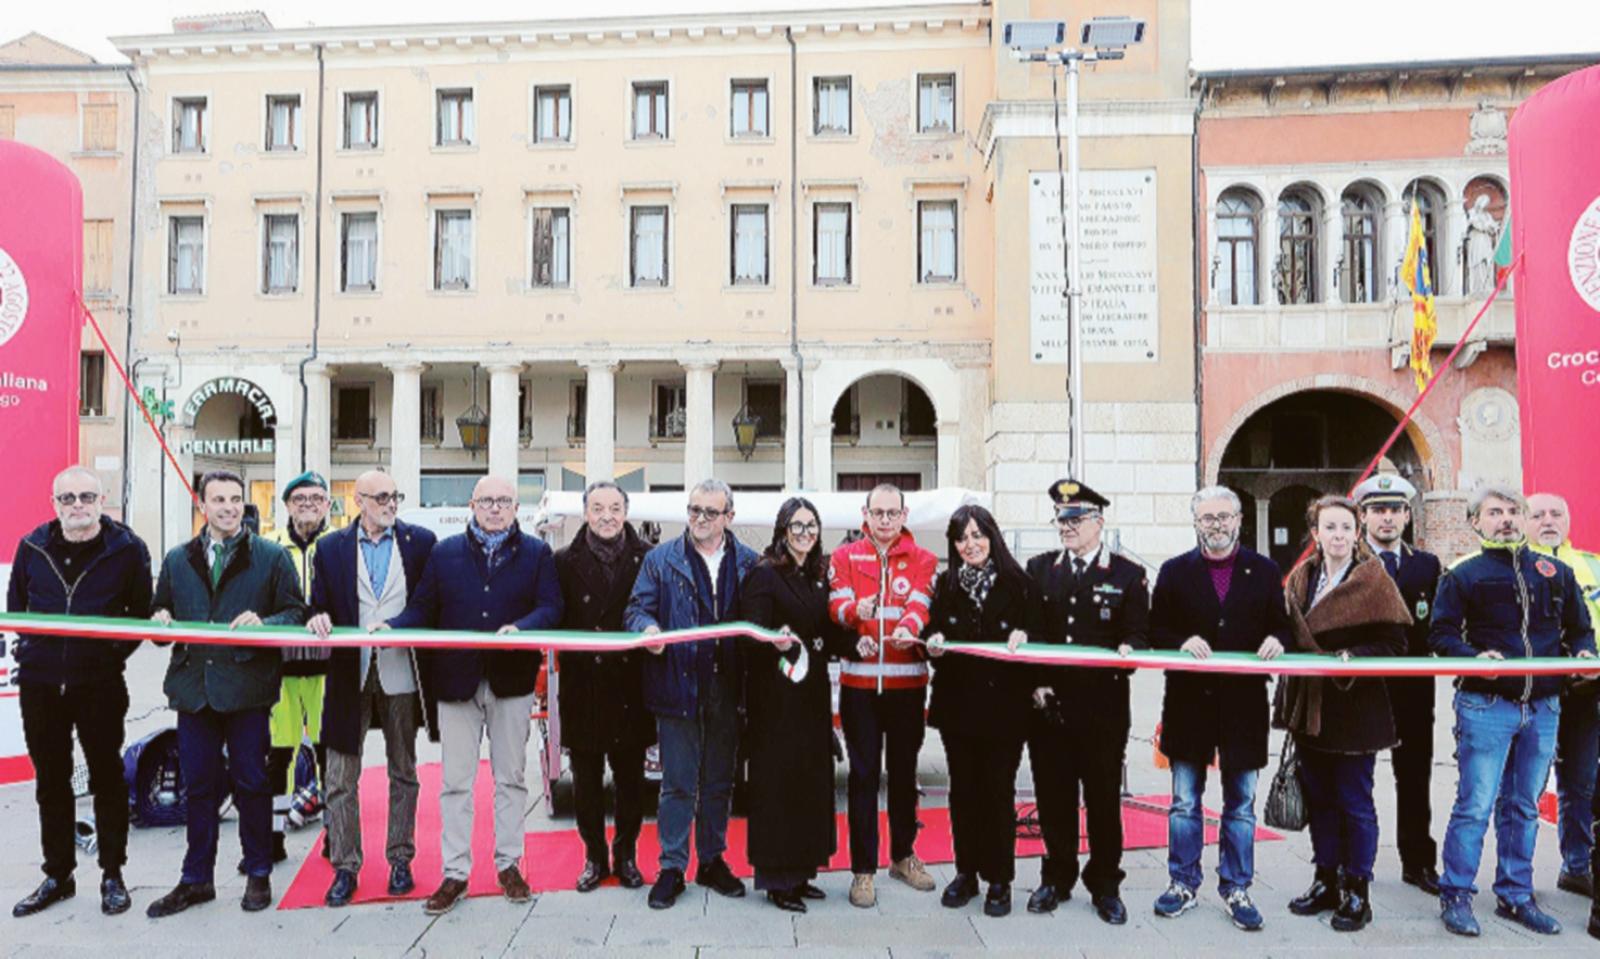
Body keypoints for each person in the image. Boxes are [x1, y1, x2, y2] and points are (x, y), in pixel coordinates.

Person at [383, 474, 562, 915]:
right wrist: (393, 627)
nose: (496, 508)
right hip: (457, 681)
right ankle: (455, 873)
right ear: (472, 504)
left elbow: (552, 606)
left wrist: (522, 628)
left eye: (504, 500)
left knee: (512, 779)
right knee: (456, 783)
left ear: (516, 507)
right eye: (488, 500)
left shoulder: (537, 554)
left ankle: (509, 865)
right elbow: (424, 607)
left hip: (512, 680)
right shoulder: (444, 553)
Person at [1431, 485, 1596, 938]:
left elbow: (1580, 630)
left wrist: (1583, 654)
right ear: (1475, 522)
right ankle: (1457, 894)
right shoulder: (1463, 575)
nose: (1506, 519)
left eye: (1512, 511)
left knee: (1523, 807)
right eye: (1494, 512)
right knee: (1475, 805)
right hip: (1486, 705)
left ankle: (1515, 894)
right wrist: (1472, 658)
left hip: (1543, 707)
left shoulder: (1555, 572)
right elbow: (1441, 634)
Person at [146, 469, 307, 918]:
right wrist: (158, 619)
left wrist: (266, 623)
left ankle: (258, 872)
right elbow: (161, 615)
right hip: (194, 690)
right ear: (203, 506)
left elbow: (296, 612)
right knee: (199, 786)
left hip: (247, 690)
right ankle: (196, 879)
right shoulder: (179, 559)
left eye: (236, 499)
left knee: (252, 782)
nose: (229, 508)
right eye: (219, 500)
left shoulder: (272, 558)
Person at [8, 466, 151, 918]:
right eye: (67, 499)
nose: (77, 506)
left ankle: (113, 873)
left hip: (99, 684)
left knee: (107, 778)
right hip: (41, 684)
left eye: (86, 497)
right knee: (51, 780)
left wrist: (108, 655)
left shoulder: (127, 549)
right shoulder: (33, 546)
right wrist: (35, 653)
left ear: (102, 499)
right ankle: (58, 874)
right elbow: (19, 610)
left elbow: (139, 615)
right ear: (54, 503)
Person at [1149, 485, 1288, 932]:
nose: (1217, 525)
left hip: (1244, 707)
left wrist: (1277, 640)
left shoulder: (1265, 571)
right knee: (1184, 802)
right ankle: (1182, 883)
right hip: (1190, 704)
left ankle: (1236, 886)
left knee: (1241, 804)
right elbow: (1155, 629)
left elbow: (1281, 624)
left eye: (1225, 517)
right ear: (1195, 523)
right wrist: (1179, 642)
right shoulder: (1173, 572)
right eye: (1208, 518)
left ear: (1239, 520)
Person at [626, 478, 759, 910]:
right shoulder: (660, 560)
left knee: (720, 781)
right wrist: (646, 628)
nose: (700, 519)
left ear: (729, 517)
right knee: (677, 783)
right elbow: (636, 608)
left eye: (710, 512)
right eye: (694, 510)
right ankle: (671, 866)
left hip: (730, 688)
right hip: (677, 685)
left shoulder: (749, 564)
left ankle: (712, 860)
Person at [306, 469, 437, 907]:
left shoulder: (420, 543)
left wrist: (398, 626)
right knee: (341, 775)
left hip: (402, 671)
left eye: (394, 496)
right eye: (381, 496)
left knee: (405, 769)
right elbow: (318, 603)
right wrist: (317, 616)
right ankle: (345, 866)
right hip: (349, 673)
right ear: (358, 500)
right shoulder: (330, 549)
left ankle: (401, 859)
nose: (390, 503)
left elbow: (427, 603)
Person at [1022, 479, 1149, 924]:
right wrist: (1037, 682)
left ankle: (1105, 884)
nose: (1066, 526)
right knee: (1054, 798)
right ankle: (1057, 876)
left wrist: (1132, 648)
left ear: (1098, 521)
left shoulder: (1127, 574)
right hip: (1050, 708)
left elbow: (1138, 632)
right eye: (1061, 518)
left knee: (1101, 801)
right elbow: (1033, 632)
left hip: (1102, 709)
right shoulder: (1039, 570)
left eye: (1075, 519)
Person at [1280, 495, 1408, 933]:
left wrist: (1353, 655)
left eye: (1345, 528)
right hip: (1310, 708)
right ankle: (1326, 880)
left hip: (1356, 709)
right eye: (1329, 528)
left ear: (1358, 533)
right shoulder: (1302, 577)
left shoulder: (1373, 580)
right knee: (1319, 799)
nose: (1338, 535)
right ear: (1316, 534)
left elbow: (1396, 643)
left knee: (1355, 802)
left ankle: (1358, 890)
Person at [828, 483, 939, 908]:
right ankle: (862, 870)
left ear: (905, 514)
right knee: (862, 776)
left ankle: (903, 856)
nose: (886, 520)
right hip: (859, 689)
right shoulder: (844, 557)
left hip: (908, 686)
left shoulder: (925, 559)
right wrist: (858, 612)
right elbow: (835, 606)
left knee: (905, 775)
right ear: (865, 513)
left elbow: (923, 605)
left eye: (893, 513)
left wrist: (909, 627)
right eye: (879, 512)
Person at [738, 496, 846, 913]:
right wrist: (775, 641)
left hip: (812, 698)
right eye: (797, 526)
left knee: (810, 782)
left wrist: (859, 641)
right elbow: (751, 633)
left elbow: (826, 632)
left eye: (811, 526)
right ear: (783, 531)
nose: (805, 534)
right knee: (777, 785)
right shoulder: (764, 576)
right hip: (775, 700)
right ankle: (776, 878)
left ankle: (801, 872)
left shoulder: (818, 575)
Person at [925, 504, 1033, 918]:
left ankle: (1000, 879)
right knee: (964, 792)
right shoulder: (946, 584)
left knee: (997, 792)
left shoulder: (1018, 584)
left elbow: (1037, 631)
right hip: (959, 709)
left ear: (992, 534)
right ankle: (965, 872)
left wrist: (1027, 635)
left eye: (977, 535)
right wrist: (933, 641)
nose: (970, 544)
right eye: (962, 538)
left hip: (1005, 710)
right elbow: (935, 632)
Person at [554, 481, 653, 894]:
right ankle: (594, 856)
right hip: (584, 686)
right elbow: (553, 614)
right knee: (587, 781)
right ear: (586, 514)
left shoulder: (648, 557)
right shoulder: (562, 561)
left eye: (615, 507)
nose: (607, 516)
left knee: (631, 779)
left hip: (631, 684)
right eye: (598, 508)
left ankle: (626, 855)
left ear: (626, 512)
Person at [1355, 473, 1443, 895]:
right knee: (1357, 779)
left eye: (1394, 510)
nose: (1386, 519)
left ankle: (1418, 862)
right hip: (1363, 686)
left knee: (1414, 776)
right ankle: (1354, 863)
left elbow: (1437, 623)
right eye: (1377, 510)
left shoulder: (1426, 565)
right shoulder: (1351, 562)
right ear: (1364, 517)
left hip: (1412, 686)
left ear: (1407, 516)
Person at [1524, 492, 1600, 899]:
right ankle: (1516, 877)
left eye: (1556, 514)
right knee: (1522, 787)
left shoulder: (1593, 566)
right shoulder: (1511, 567)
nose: (1548, 521)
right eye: (1538, 514)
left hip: (1586, 690)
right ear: (1523, 521)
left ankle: (1577, 866)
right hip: (1528, 692)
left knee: (1581, 782)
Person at [265, 470, 335, 862]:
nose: (308, 505)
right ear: (288, 505)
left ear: (328, 505)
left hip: (328, 670)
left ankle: (332, 835)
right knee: (279, 756)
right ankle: (273, 838)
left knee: (329, 754)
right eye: (300, 499)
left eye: (316, 498)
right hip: (281, 670)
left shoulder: (340, 544)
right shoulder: (268, 546)